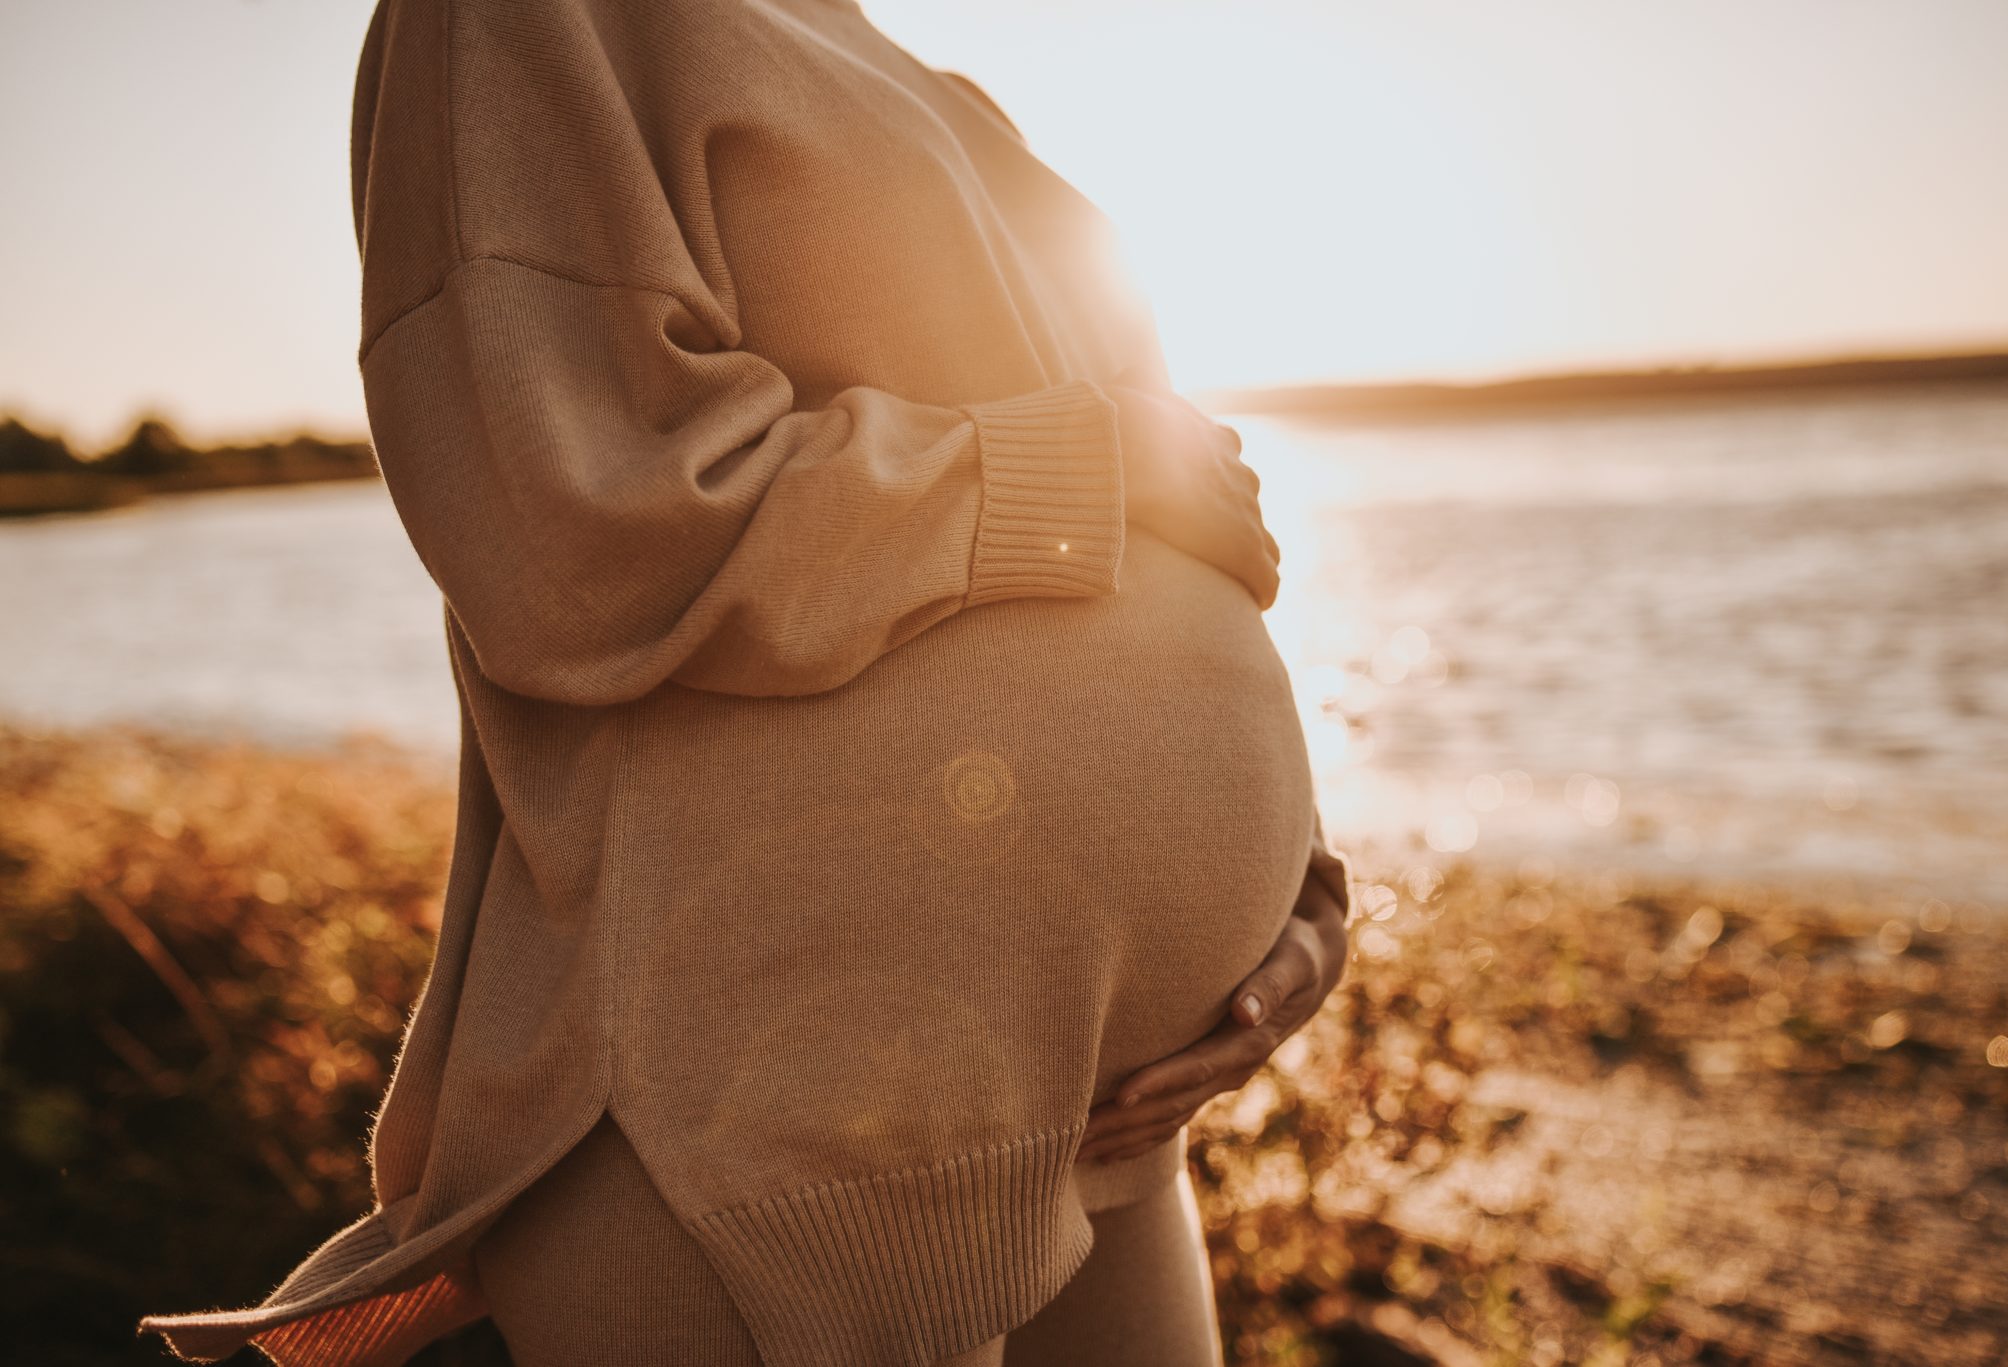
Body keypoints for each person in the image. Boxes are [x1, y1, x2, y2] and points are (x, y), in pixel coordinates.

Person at [137, 1, 1354, 1364]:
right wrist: (1068, 470)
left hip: (1117, 1109)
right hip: (757, 1123)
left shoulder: (941, 92)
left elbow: (1186, 528)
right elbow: (566, 530)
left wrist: (1294, 896)